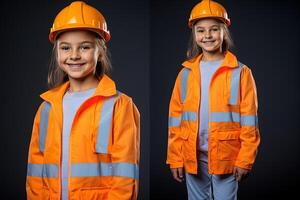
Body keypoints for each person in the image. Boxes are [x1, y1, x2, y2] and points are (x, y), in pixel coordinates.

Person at [26, 1, 140, 200]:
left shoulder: (120, 105)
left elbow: (125, 175)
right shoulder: (47, 108)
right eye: (66, 48)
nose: (74, 55)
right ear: (58, 52)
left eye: (84, 47)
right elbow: (36, 169)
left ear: (100, 51)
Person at [166, 0, 260, 199]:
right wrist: (175, 158)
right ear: (194, 34)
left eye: (214, 29)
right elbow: (175, 120)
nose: (207, 35)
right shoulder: (185, 74)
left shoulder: (241, 73)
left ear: (224, 31)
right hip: (193, 157)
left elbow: (250, 120)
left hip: (227, 156)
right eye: (201, 30)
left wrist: (245, 160)